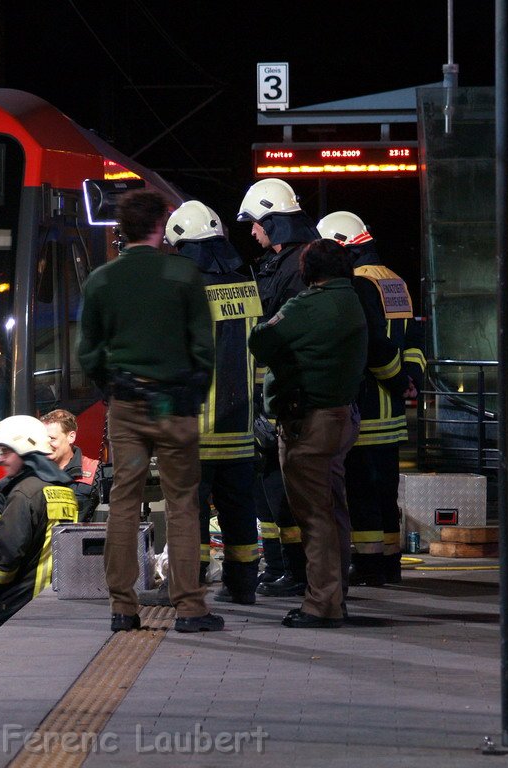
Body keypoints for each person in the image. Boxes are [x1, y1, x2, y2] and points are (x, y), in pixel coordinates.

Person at [77, 188, 223, 634]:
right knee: (182, 503)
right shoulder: (182, 274)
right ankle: (189, 608)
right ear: (161, 225)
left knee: (124, 499)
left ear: (121, 228)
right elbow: (204, 347)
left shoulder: (102, 280)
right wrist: (190, 394)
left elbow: (89, 354)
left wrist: (114, 385)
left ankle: (123, 608)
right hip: (174, 406)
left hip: (127, 404)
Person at [139, 200, 263, 606]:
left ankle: (184, 588)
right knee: (239, 515)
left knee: (188, 516)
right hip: (241, 431)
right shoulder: (246, 286)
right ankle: (242, 586)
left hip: (196, 431)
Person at [249, 239, 367, 628]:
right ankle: (336, 594)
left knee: (314, 517)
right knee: (334, 512)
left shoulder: (307, 305)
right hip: (341, 417)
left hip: (308, 425)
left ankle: (322, 603)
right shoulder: (352, 299)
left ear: (309, 271)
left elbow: (261, 341)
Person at [317, 211, 425, 585]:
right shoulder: (396, 282)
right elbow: (413, 343)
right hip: (393, 414)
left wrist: (395, 379)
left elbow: (372, 349)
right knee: (385, 493)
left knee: (361, 493)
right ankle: (390, 562)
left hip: (366, 409)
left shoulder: (359, 286)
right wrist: (411, 379)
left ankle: (369, 566)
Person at [237, 178, 322, 598]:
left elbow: (287, 337)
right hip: (272, 396)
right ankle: (282, 566)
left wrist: (273, 409)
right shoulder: (286, 262)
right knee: (270, 487)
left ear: (273, 220)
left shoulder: (297, 266)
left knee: (286, 489)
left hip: (287, 398)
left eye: (256, 223)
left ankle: (297, 571)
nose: (253, 232)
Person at [0, 415, 79, 648]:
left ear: (25, 451)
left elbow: (6, 557)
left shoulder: (23, 494)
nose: (2, 459)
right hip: (54, 603)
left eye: (7, 452)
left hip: (19, 606)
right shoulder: (63, 490)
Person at [40, 408, 100, 521]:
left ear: (71, 437)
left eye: (52, 439)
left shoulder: (95, 472)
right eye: (43, 439)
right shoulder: (33, 472)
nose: (46, 444)